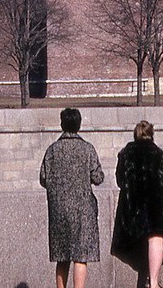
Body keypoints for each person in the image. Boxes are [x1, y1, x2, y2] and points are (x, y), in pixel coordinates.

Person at [40, 107, 105, 288]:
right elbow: (98, 177)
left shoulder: (52, 150)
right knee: (80, 255)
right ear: (79, 124)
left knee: (62, 255)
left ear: (62, 124)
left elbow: (43, 178)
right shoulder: (87, 149)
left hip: (59, 209)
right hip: (83, 209)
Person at [111, 120, 163, 288]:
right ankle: (153, 282)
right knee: (157, 238)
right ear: (151, 134)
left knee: (139, 240)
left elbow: (120, 180)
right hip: (157, 201)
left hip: (135, 202)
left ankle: (147, 278)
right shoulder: (159, 154)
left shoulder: (125, 153)